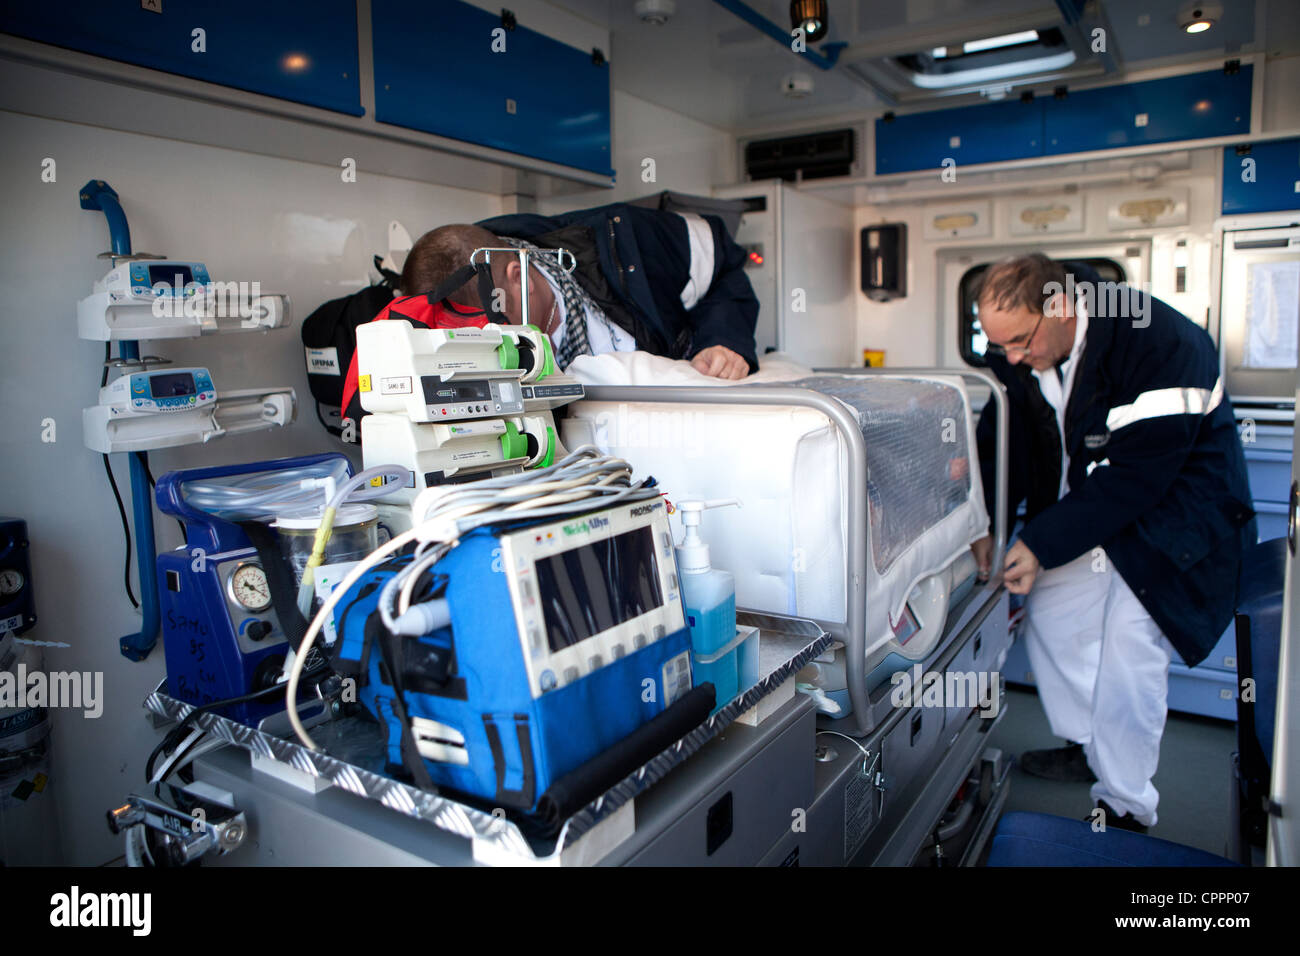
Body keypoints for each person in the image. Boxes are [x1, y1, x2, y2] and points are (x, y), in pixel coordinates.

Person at [970, 253, 1255, 832]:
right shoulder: (1026, 354)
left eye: (1021, 341)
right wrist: (990, 525)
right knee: (1048, 606)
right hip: (1104, 514)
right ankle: (1089, 743)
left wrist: (1042, 541)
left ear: (1061, 307)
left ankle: (1125, 805)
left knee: (1130, 644)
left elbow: (1139, 475)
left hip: (1178, 518)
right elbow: (1006, 440)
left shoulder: (1160, 342)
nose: (1015, 359)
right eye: (1001, 348)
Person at [401, 202, 760, 379]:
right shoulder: (436, 302)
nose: (495, 351)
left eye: (496, 328)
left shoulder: (630, 241)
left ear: (520, 276)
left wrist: (724, 341)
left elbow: (726, 265)